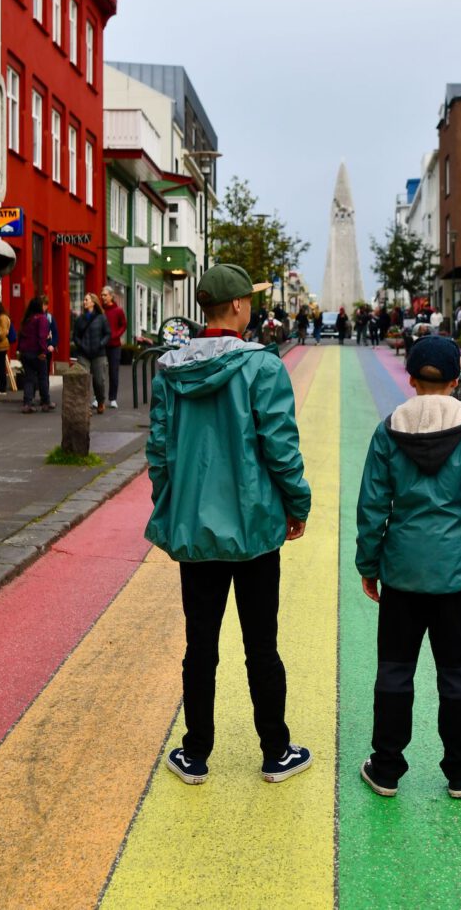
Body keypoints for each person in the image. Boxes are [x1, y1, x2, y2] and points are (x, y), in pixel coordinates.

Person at [145, 262, 312, 787]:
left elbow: (159, 454)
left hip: (195, 531)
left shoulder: (169, 372)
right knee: (261, 644)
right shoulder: (262, 368)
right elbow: (280, 447)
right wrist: (297, 504)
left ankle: (195, 754)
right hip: (256, 527)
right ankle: (275, 751)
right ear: (239, 307)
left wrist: (174, 506)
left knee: (201, 646)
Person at [355, 335, 461, 800]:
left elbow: (373, 504)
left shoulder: (388, 431)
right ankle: (460, 769)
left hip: (401, 571)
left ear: (412, 380)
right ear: (457, 381)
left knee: (395, 670)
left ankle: (386, 768)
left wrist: (369, 563)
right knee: (457, 671)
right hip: (456, 572)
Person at [73, 293, 110, 413]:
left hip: (99, 354)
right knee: (83, 380)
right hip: (83, 354)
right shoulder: (80, 319)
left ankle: (100, 401)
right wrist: (81, 345)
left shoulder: (101, 318)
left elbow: (107, 334)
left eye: (86, 300)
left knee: (99, 381)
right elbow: (75, 336)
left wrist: (101, 344)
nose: (84, 302)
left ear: (93, 302)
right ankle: (85, 405)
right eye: (84, 300)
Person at [17, 297, 53, 413]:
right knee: (42, 377)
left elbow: (22, 336)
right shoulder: (42, 319)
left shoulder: (27, 319)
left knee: (29, 378)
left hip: (25, 353)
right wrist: (43, 351)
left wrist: (19, 350)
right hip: (37, 352)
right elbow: (41, 336)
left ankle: (27, 403)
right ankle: (46, 402)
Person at [101, 286, 127, 409]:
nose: (103, 297)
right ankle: (98, 397)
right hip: (101, 344)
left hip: (115, 345)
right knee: (99, 372)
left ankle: (112, 398)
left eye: (105, 295)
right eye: (102, 295)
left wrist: (117, 334)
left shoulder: (118, 311)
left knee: (113, 372)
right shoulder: (100, 310)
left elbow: (124, 324)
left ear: (111, 296)